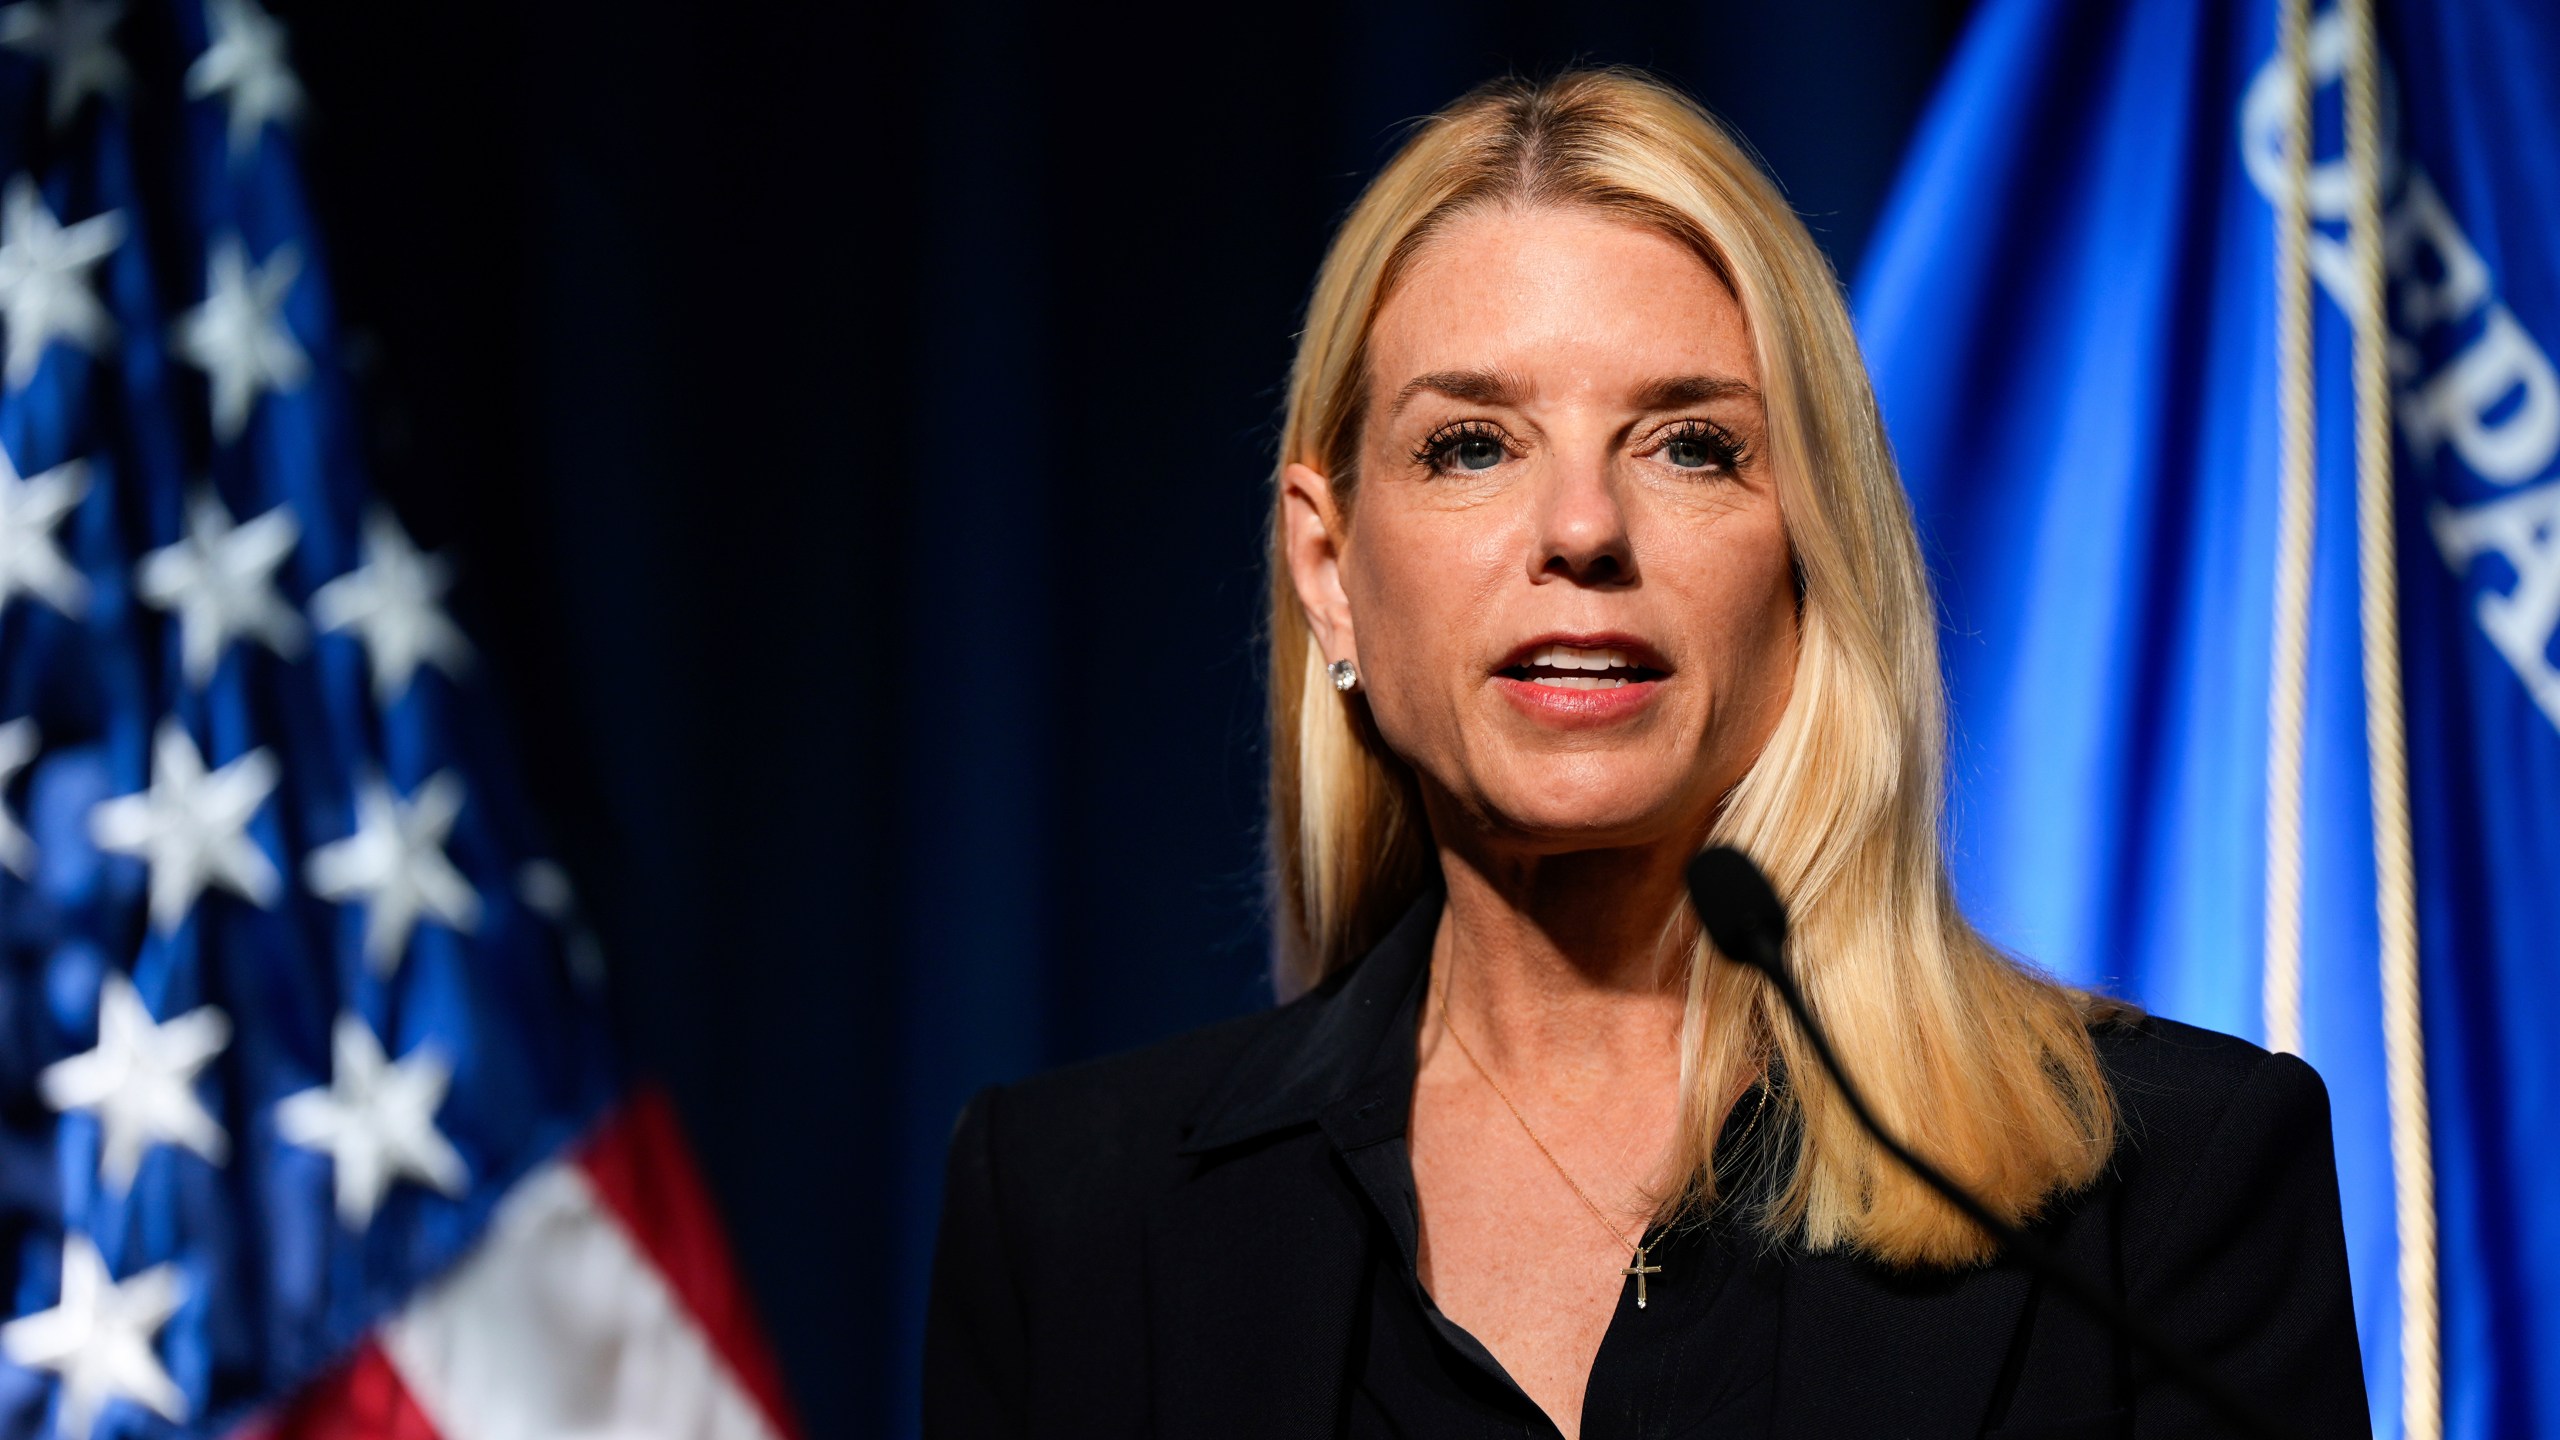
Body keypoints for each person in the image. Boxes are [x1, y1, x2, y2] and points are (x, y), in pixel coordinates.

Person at [922, 68, 2368, 1439]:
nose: (1582, 530)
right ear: (1330, 567)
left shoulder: (2170, 1184)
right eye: (1471, 446)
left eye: (1690, 445)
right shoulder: (1069, 1218)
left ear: (1813, 553)